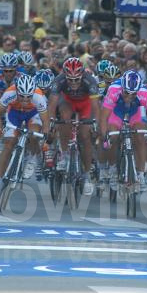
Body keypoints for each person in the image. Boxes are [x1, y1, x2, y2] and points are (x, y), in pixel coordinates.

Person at [99, 70, 147, 193]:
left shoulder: (144, 93)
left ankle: (140, 174)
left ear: (138, 91)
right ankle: (113, 169)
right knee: (112, 136)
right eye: (127, 93)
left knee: (141, 136)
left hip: (135, 111)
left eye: (133, 94)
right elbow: (103, 118)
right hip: (117, 110)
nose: (129, 97)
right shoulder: (113, 90)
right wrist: (105, 137)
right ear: (122, 88)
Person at [0, 74, 50, 196]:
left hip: (32, 114)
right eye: (22, 96)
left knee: (34, 136)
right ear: (17, 91)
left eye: (28, 97)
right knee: (8, 144)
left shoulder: (39, 96)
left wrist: (44, 134)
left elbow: (45, 121)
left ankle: (31, 160)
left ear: (32, 93)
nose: (25, 100)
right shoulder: (9, 93)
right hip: (14, 113)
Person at [49, 57, 101, 195]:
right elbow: (52, 104)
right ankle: (64, 154)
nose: (73, 83)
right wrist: (51, 121)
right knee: (64, 120)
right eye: (70, 80)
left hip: (86, 104)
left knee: (85, 136)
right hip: (68, 102)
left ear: (82, 75)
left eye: (76, 80)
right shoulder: (59, 80)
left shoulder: (90, 80)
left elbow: (95, 106)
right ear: (64, 75)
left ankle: (86, 175)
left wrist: (95, 123)